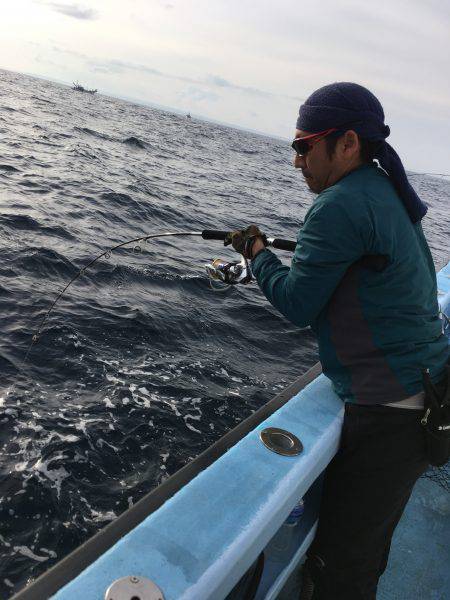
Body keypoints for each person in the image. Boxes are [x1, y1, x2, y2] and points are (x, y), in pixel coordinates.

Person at [228, 82, 449, 599]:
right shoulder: (383, 187)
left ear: (347, 143)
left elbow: (298, 304)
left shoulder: (338, 206)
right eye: (295, 147)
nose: (297, 160)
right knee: (370, 541)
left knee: (342, 566)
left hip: (392, 412)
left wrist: (257, 253)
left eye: (305, 146)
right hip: (427, 391)